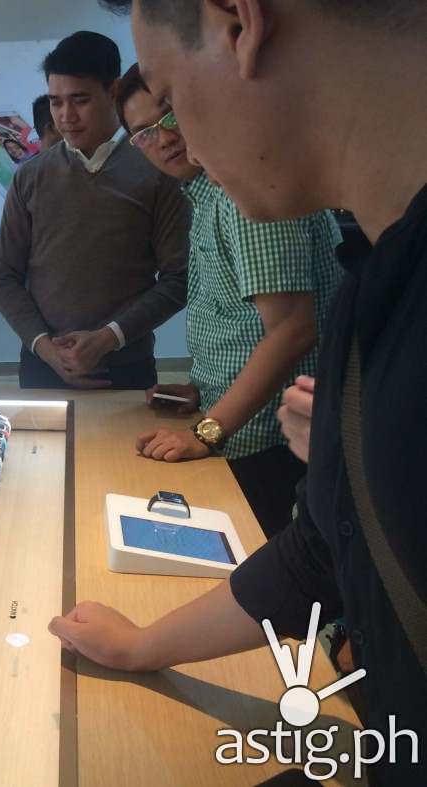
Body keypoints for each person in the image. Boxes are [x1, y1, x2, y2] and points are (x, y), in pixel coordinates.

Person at [56, 3, 427, 781]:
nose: (172, 136)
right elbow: (321, 549)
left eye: (167, 94)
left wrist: (219, 432)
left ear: (238, 26)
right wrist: (143, 644)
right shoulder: (377, 296)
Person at [115, 64, 344, 538]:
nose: (163, 139)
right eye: (143, 134)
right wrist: (204, 387)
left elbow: (293, 329)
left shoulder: (243, 190)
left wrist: (208, 431)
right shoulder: (206, 193)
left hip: (270, 440)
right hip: (241, 423)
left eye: (168, 117)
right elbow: (243, 324)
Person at [0, 31, 190, 390]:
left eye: (79, 100)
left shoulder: (157, 170)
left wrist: (108, 338)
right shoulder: (31, 177)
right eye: (55, 102)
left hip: (125, 366)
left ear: (113, 92)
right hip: (42, 367)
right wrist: (47, 349)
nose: (65, 116)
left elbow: (179, 278)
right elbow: (5, 277)